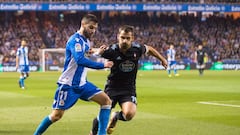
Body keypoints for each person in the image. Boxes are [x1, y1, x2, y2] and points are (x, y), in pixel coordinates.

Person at [34, 14, 113, 135]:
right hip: (68, 85)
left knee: (106, 101)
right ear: (83, 25)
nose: (93, 31)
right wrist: (102, 65)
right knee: (56, 116)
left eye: (95, 28)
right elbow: (80, 60)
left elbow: (85, 55)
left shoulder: (85, 41)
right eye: (91, 28)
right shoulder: (74, 40)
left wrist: (97, 53)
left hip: (82, 84)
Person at [90, 25, 168, 135]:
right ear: (118, 37)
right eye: (122, 37)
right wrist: (94, 51)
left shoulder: (137, 49)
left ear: (132, 38)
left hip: (128, 88)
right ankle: (93, 132)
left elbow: (149, 49)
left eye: (127, 38)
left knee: (129, 114)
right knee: (103, 116)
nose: (125, 41)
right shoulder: (112, 50)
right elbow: (94, 51)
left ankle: (116, 116)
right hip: (112, 87)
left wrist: (162, 59)